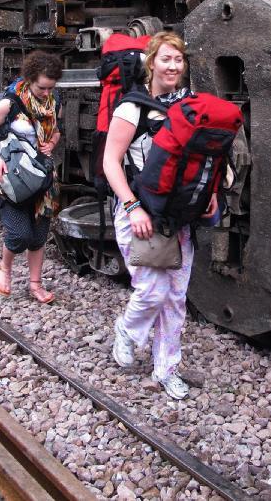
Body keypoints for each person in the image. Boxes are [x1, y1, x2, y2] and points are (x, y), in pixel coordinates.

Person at [104, 31, 218, 400]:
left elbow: (204, 158)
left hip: (176, 217)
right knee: (151, 291)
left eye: (178, 60)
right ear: (151, 63)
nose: (172, 66)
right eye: (166, 59)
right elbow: (110, 162)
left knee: (175, 298)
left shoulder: (189, 107)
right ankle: (128, 330)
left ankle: (167, 369)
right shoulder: (131, 108)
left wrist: (211, 194)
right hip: (137, 212)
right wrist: (132, 206)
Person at [0, 51, 62, 304]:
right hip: (12, 175)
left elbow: (55, 131)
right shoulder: (10, 104)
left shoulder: (51, 103)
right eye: (42, 87)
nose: (46, 93)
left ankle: (36, 284)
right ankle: (5, 267)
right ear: (30, 79)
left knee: (38, 235)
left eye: (50, 88)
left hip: (42, 176)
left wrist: (51, 144)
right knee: (19, 234)